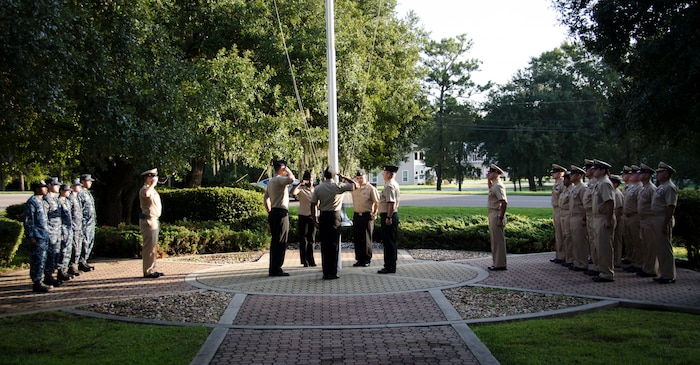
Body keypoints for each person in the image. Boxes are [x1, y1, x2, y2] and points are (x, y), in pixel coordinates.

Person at [310, 167, 357, 279]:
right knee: (334, 244)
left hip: (324, 216)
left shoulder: (318, 188)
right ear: (334, 176)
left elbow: (312, 204)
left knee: (325, 245)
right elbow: (356, 185)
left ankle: (326, 272)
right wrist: (344, 177)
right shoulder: (338, 186)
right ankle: (333, 272)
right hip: (335, 217)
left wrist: (314, 219)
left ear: (324, 176)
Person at [263, 160, 295, 276]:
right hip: (281, 213)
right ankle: (277, 268)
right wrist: (288, 171)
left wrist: (269, 211)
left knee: (275, 241)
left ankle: (274, 268)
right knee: (281, 241)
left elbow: (266, 198)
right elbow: (292, 179)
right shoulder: (279, 179)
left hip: (274, 212)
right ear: (281, 168)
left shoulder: (271, 181)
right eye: (284, 168)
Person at [651, 162, 678, 284]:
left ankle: (668, 275)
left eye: (660, 172)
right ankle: (663, 273)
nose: (658, 174)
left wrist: (666, 223)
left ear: (667, 173)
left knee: (665, 248)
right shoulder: (662, 186)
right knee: (660, 248)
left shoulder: (669, 187)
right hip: (657, 218)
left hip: (663, 218)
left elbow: (670, 207)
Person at [590, 160, 616, 283]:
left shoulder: (605, 183)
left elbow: (609, 203)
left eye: (595, 169)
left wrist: (608, 220)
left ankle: (607, 273)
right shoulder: (599, 183)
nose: (593, 171)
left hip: (603, 217)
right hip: (597, 218)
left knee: (605, 247)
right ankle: (602, 271)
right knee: (599, 246)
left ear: (602, 170)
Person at [24, 181, 51, 293]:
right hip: (37, 236)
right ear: (37, 189)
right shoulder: (32, 202)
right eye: (43, 187)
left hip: (44, 235)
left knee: (43, 259)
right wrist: (31, 236)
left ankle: (40, 280)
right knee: (37, 260)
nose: (45, 189)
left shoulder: (42, 201)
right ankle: (37, 282)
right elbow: (29, 220)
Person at [351, 169, 380, 267]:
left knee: (366, 238)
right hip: (357, 215)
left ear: (365, 177)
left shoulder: (370, 188)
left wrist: (374, 213)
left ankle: (366, 259)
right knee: (358, 238)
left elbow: (377, 202)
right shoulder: (355, 188)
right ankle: (359, 259)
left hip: (366, 215)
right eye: (358, 178)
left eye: (361, 178)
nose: (359, 180)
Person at [139, 168, 164, 278]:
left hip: (154, 220)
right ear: (147, 178)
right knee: (149, 248)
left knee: (153, 248)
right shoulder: (146, 189)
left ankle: (152, 269)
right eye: (152, 176)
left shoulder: (151, 189)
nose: (154, 178)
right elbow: (146, 194)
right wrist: (153, 184)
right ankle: (148, 271)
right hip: (148, 220)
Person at [290, 171, 317, 267]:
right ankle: (304, 260)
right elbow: (292, 192)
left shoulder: (315, 190)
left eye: (311, 180)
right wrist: (299, 184)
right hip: (303, 216)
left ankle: (311, 259)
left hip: (313, 216)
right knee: (303, 239)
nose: (310, 182)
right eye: (308, 180)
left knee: (312, 239)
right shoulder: (301, 190)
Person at [636, 163, 658, 278]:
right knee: (644, 245)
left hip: (650, 220)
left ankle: (651, 269)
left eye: (642, 172)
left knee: (651, 246)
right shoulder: (643, 188)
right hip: (643, 220)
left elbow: (655, 206)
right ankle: (646, 267)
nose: (640, 174)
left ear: (648, 174)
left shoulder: (652, 189)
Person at [378, 165, 401, 274]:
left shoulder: (389, 186)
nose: (384, 175)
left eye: (385, 173)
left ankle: (390, 266)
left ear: (389, 174)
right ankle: (390, 264)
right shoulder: (394, 184)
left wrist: (388, 217)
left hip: (389, 216)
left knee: (389, 242)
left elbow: (391, 203)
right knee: (390, 241)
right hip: (391, 215)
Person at [485, 164, 508, 271]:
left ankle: (500, 264)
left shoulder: (498, 185)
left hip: (497, 214)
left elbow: (503, 202)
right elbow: (490, 189)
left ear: (495, 174)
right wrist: (488, 180)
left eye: (490, 172)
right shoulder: (494, 184)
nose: (488, 174)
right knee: (495, 240)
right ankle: (497, 263)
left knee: (498, 241)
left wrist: (500, 218)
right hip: (493, 213)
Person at [43, 177, 63, 287]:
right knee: (50, 255)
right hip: (50, 232)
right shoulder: (46, 200)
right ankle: (48, 276)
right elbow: (44, 218)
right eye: (55, 185)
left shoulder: (55, 198)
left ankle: (51, 275)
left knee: (55, 255)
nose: (58, 187)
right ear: (49, 185)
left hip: (57, 231)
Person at [568, 165, 589, 271]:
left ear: (579, 175)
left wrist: (584, 218)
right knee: (575, 241)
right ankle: (577, 262)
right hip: (573, 217)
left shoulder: (583, 188)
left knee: (581, 242)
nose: (570, 176)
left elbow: (585, 205)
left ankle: (582, 263)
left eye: (573, 174)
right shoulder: (574, 188)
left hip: (579, 217)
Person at [581, 159, 598, 276]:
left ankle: (600, 268)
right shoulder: (591, 183)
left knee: (598, 243)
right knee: (593, 241)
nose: (585, 171)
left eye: (587, 168)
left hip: (596, 215)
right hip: (591, 215)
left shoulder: (599, 183)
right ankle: (596, 265)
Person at [78, 173, 96, 272]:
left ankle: (84, 261)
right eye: (88, 181)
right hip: (84, 223)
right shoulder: (80, 193)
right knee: (84, 242)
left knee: (89, 242)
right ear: (83, 182)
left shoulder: (87, 193)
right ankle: (81, 262)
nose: (90, 183)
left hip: (90, 223)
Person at [56, 183, 74, 281]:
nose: (69, 192)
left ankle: (64, 270)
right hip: (62, 230)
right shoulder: (58, 202)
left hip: (68, 229)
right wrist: (60, 232)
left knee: (67, 250)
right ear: (62, 191)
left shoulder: (67, 201)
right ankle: (60, 271)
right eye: (67, 190)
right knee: (62, 251)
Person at [550, 164, 567, 264]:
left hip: (561, 210)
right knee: (558, 234)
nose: (553, 174)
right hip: (556, 209)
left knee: (562, 233)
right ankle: (559, 255)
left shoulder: (562, 184)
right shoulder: (557, 183)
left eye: (555, 172)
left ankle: (563, 256)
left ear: (561, 173)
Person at [67, 178, 84, 277]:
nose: (79, 187)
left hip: (78, 226)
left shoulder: (77, 197)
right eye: (78, 185)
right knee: (73, 248)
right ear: (72, 187)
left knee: (77, 247)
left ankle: (75, 266)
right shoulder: (70, 199)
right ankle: (71, 267)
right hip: (73, 227)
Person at [558, 171, 573, 267]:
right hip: (563, 213)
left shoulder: (572, 189)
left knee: (569, 237)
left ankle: (571, 259)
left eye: (566, 179)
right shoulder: (566, 189)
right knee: (565, 237)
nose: (564, 181)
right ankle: (568, 258)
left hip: (568, 214)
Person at [609, 175, 624, 267]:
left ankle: (617, 261)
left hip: (617, 218)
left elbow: (618, 208)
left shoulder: (617, 193)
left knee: (616, 241)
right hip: (614, 217)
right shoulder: (612, 192)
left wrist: (616, 221)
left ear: (615, 184)